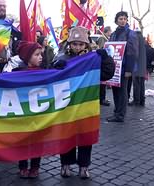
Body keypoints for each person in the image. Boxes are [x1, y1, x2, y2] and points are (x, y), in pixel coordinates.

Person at [53, 26, 115, 179]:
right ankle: (65, 165)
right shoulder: (62, 58)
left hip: (86, 105)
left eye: (81, 44)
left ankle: (84, 166)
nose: (77, 47)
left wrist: (106, 58)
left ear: (86, 45)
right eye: (74, 44)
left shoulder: (92, 59)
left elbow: (107, 74)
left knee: (85, 136)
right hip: (66, 105)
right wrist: (55, 67)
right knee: (66, 135)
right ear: (69, 44)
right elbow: (50, 78)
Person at [12, 41, 43, 179]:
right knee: (22, 142)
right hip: (22, 115)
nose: (41, 57)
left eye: (41, 54)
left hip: (39, 115)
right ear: (27, 57)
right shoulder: (16, 73)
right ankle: (23, 167)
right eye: (37, 54)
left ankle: (35, 167)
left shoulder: (45, 72)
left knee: (37, 142)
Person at [107, 11, 139, 122]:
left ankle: (120, 115)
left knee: (122, 91)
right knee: (115, 90)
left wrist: (129, 70)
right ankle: (117, 112)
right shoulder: (113, 34)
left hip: (124, 68)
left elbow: (133, 53)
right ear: (116, 20)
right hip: (114, 68)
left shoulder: (131, 34)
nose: (123, 20)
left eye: (125, 19)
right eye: (120, 18)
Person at [128, 28, 147, 106]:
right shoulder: (142, 38)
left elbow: (134, 51)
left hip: (136, 65)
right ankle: (142, 100)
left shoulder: (135, 37)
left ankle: (136, 100)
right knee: (141, 84)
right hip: (142, 65)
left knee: (136, 84)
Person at [96, 26, 112, 106]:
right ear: (107, 31)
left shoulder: (105, 38)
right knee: (102, 83)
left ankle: (102, 98)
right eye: (110, 31)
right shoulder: (102, 39)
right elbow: (102, 49)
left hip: (104, 61)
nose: (111, 33)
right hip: (102, 62)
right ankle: (101, 99)